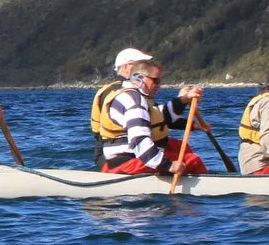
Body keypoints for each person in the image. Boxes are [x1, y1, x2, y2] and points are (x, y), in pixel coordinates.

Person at [88, 47, 207, 176]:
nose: (159, 85)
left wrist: (183, 101)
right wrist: (169, 165)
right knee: (193, 160)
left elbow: (157, 117)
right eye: (155, 81)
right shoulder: (130, 98)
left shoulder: (134, 93)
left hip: (127, 154)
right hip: (123, 160)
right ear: (134, 72)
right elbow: (139, 139)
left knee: (178, 147)